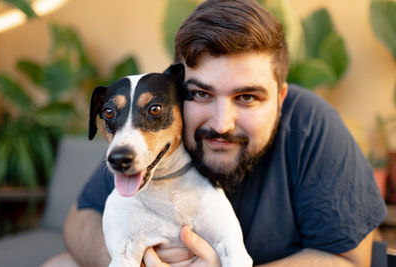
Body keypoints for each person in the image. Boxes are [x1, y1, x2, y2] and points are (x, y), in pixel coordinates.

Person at [57, 0, 387, 266]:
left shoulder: (312, 126)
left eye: (247, 97)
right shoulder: (147, 139)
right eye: (201, 94)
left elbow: (351, 259)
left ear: (280, 98)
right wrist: (128, 258)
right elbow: (79, 221)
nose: (221, 123)